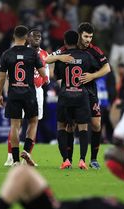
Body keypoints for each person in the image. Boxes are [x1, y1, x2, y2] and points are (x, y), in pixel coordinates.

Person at [47, 22, 111, 170]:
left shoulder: (94, 50)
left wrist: (92, 75)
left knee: (96, 124)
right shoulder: (67, 49)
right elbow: (48, 58)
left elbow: (107, 68)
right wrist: (60, 58)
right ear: (79, 35)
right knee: (71, 125)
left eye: (91, 37)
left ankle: (93, 159)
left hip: (90, 92)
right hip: (73, 92)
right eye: (86, 36)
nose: (88, 40)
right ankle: (68, 159)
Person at [0, 25, 48, 167]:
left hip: (13, 93)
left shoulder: (7, 54)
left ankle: (15, 160)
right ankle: (26, 152)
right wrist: (46, 79)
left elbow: (1, 78)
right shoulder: (32, 53)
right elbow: (43, 74)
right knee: (33, 121)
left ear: (14, 37)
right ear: (26, 38)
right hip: (29, 93)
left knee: (14, 125)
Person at [55, 30, 100, 170]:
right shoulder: (87, 56)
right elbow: (95, 69)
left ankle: (66, 160)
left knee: (63, 126)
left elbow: (57, 76)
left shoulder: (62, 57)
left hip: (66, 95)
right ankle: (82, 160)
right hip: (82, 95)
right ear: (78, 41)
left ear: (65, 42)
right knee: (83, 127)